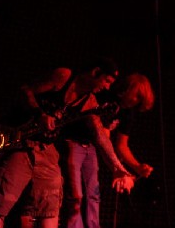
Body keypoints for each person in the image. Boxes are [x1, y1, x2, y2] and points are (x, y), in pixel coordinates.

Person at [0, 57, 134, 228]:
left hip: (46, 149)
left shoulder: (89, 102)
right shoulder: (64, 76)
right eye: (106, 80)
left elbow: (100, 136)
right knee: (1, 204)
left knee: (50, 207)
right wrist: (39, 114)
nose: (107, 87)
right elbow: (26, 90)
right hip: (21, 141)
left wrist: (118, 168)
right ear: (95, 72)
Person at [60, 72, 155, 228]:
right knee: (75, 195)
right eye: (137, 96)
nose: (136, 102)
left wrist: (137, 167)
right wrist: (117, 167)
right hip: (74, 142)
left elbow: (121, 145)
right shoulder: (106, 98)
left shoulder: (128, 113)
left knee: (93, 195)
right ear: (129, 89)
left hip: (91, 148)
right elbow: (101, 135)